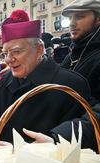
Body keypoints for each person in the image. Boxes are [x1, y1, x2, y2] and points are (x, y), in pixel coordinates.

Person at [0, 9, 90, 149]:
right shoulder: (8, 77)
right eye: (5, 53)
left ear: (39, 50)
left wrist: (53, 143)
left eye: (16, 51)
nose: (9, 59)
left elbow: (83, 131)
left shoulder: (71, 85)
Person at [25, 0, 100, 153]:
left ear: (98, 19)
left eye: (80, 17)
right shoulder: (73, 53)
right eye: (70, 18)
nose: (72, 23)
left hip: (84, 149)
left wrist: (59, 137)